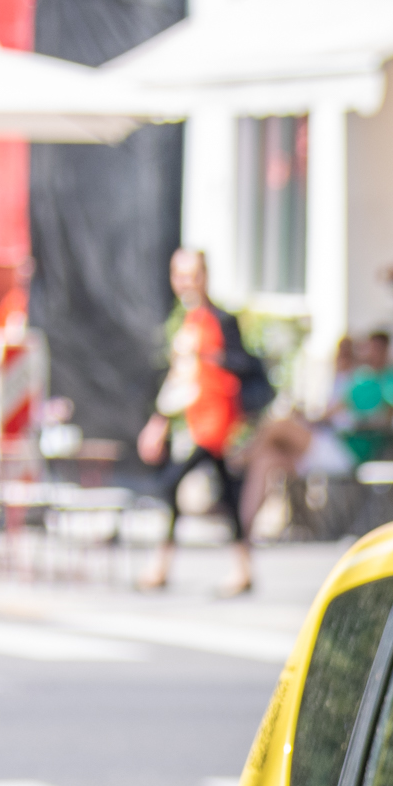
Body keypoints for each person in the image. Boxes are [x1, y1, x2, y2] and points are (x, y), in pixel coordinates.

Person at [135, 249, 270, 596]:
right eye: (179, 274)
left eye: (192, 273)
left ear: (205, 276)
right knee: (225, 493)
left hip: (218, 424)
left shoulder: (220, 320)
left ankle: (162, 565)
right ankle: (242, 568)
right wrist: (160, 421)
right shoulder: (188, 323)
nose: (186, 282)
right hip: (199, 421)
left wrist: (210, 357)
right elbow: (180, 380)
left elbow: (244, 364)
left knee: (172, 483)